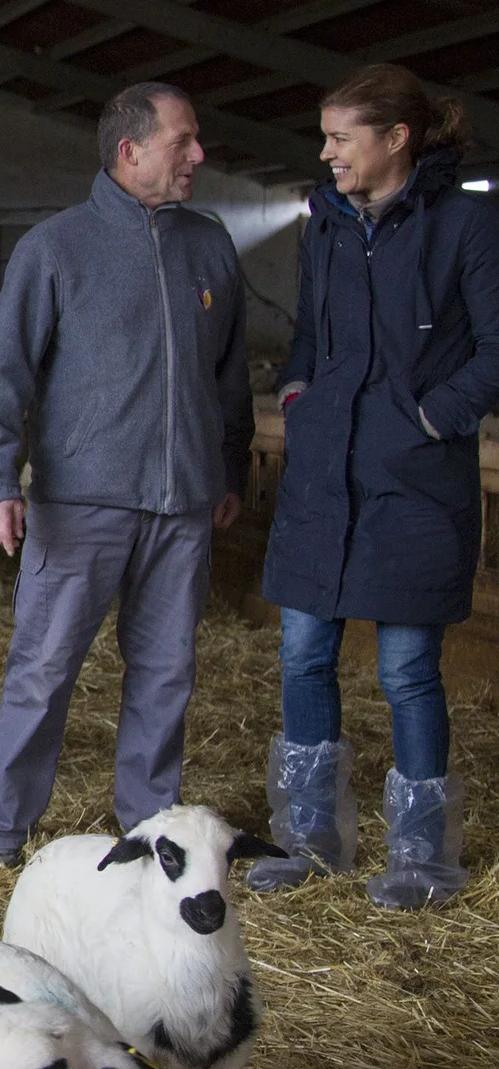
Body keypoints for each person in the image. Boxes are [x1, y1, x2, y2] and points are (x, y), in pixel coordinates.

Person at [0, 82, 253, 867]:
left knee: (166, 673)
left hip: (183, 504)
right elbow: (2, 377)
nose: (198, 154)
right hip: (78, 503)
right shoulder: (56, 248)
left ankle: (150, 828)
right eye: (182, 141)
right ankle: (3, 832)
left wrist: (229, 467)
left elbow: (229, 376)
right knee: (44, 669)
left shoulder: (210, 245)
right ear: (131, 152)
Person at [247, 64, 498, 908]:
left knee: (408, 668)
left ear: (396, 139)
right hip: (325, 473)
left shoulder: (465, 223)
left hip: (414, 479)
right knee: (302, 651)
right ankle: (308, 838)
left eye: (339, 138)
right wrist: (298, 395)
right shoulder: (324, 226)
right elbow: (310, 337)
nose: (324, 154)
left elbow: (496, 349)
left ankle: (421, 859)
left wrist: (431, 419)